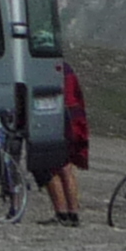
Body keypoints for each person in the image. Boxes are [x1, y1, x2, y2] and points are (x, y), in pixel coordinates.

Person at [43, 58, 90, 225]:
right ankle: (73, 213)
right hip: (72, 118)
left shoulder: (43, 67)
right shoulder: (65, 68)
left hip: (56, 118)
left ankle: (61, 212)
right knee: (66, 167)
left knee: (50, 166)